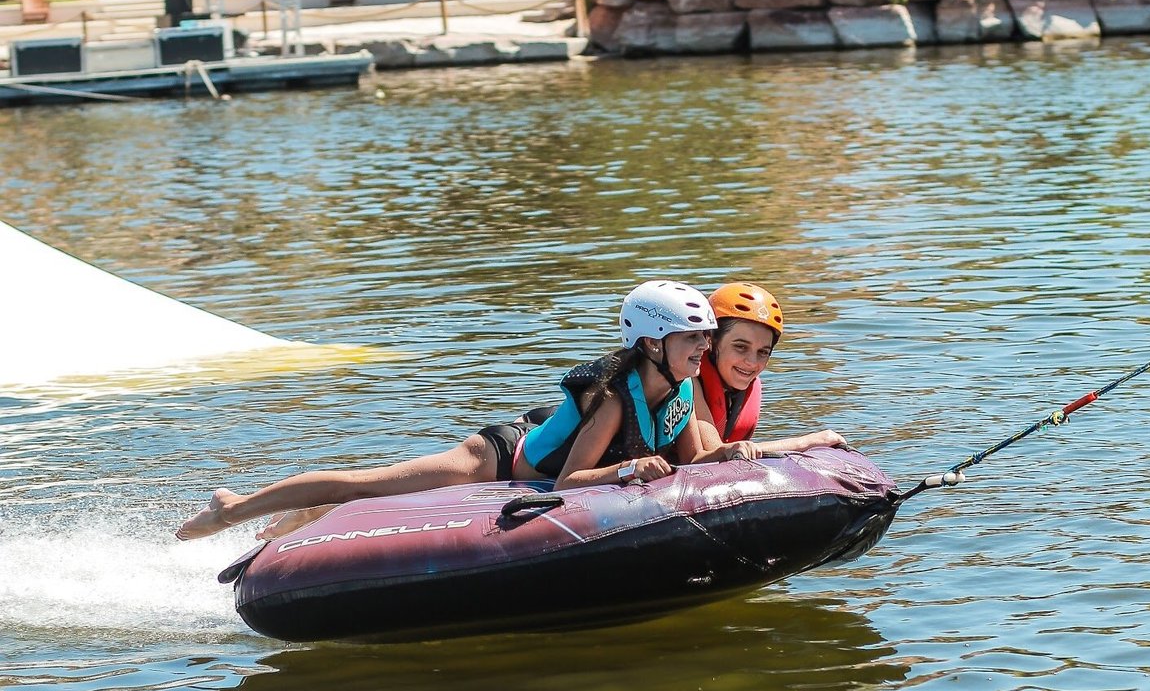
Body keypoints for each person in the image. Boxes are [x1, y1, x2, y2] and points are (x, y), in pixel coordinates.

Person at [175, 280, 750, 541]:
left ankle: (297, 520)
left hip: (536, 452)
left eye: (703, 339)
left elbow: (701, 460)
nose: (703, 349)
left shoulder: (680, 392)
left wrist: (784, 448)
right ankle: (233, 508)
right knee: (366, 486)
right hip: (497, 460)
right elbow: (572, 479)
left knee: (364, 495)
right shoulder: (611, 400)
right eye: (690, 339)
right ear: (652, 343)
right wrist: (628, 469)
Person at [693, 282, 847, 456]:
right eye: (740, 347)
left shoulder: (742, 386)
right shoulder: (688, 379)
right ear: (710, 340)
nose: (752, 362)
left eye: (763, 352)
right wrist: (806, 443)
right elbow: (713, 453)